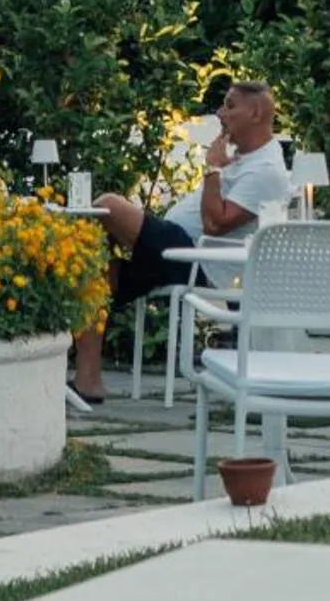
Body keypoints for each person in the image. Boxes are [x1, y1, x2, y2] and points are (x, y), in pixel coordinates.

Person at [66, 80, 293, 410]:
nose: (220, 113)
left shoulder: (266, 169)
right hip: (172, 254)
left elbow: (216, 223)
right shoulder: (242, 160)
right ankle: (88, 381)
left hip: (196, 260)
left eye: (230, 106)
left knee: (107, 206)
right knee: (90, 269)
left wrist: (212, 168)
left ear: (256, 114)